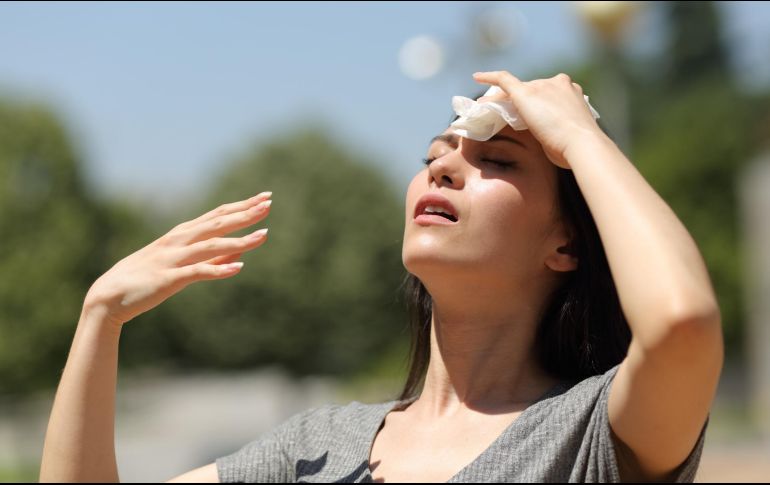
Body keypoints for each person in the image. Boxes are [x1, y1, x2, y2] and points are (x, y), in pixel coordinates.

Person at [39, 71, 723, 483]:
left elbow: (681, 322)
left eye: (499, 161)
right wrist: (101, 316)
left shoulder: (592, 434)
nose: (443, 168)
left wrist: (579, 135)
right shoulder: (315, 448)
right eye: (433, 155)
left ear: (566, 243)